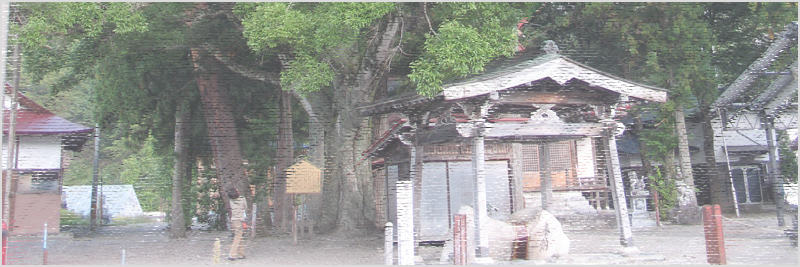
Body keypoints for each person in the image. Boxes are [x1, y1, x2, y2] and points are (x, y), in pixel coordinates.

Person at [227, 187, 247, 261]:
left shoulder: (231, 201)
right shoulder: (242, 199)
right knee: (237, 238)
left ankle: (241, 253)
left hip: (233, 220)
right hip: (239, 220)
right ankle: (231, 254)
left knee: (239, 236)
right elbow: (245, 207)